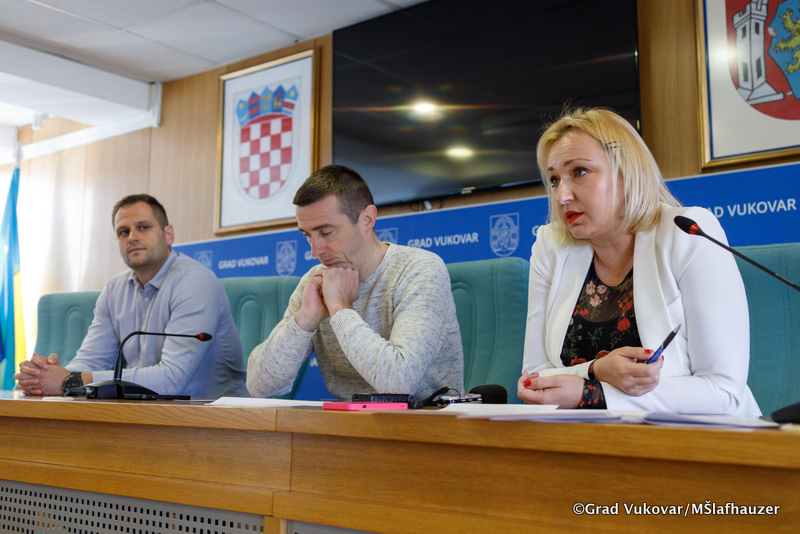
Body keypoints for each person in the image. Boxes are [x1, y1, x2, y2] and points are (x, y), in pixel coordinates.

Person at [518, 108, 761, 416]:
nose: (561, 196)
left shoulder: (687, 233)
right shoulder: (551, 246)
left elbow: (723, 390)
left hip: (702, 436)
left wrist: (593, 394)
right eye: (554, 180)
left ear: (626, 172)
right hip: (586, 437)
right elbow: (534, 379)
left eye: (579, 172)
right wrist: (597, 370)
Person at [247, 165, 463, 401]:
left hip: (426, 420)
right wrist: (305, 319)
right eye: (307, 235)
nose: (315, 251)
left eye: (326, 232)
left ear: (367, 219)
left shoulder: (420, 269)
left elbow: (398, 384)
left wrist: (339, 307)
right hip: (349, 421)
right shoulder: (314, 281)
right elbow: (259, 386)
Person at [15, 194, 247, 398]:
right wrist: (45, 377)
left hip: (215, 418)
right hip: (148, 414)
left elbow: (171, 379)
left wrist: (70, 380)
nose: (132, 237)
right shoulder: (115, 289)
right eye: (123, 232)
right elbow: (92, 360)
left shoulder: (194, 281)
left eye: (143, 227)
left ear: (168, 234)